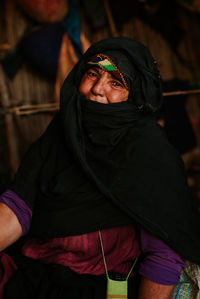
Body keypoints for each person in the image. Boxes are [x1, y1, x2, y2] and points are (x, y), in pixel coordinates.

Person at [0, 37, 200, 299]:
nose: (96, 88)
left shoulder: (150, 152)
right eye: (92, 74)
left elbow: (164, 253)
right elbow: (19, 206)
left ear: (135, 96)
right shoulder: (63, 132)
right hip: (39, 273)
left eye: (116, 83)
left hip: (103, 286)